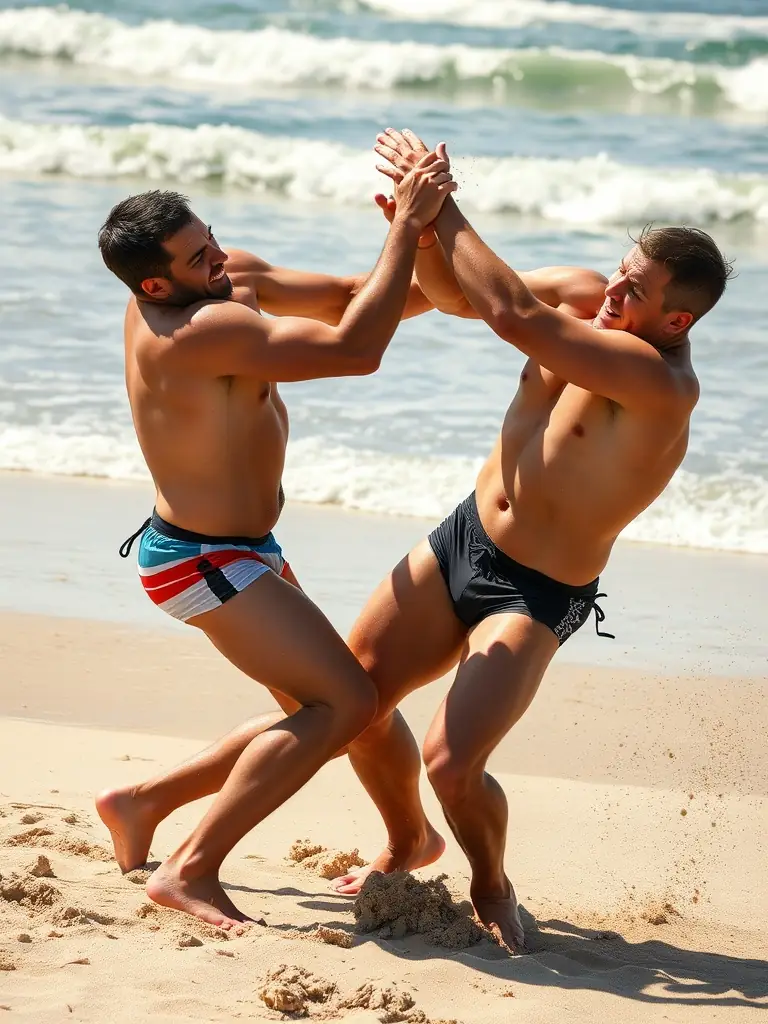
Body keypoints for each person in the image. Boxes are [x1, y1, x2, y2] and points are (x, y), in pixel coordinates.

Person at [330, 129, 732, 953]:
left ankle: (490, 881)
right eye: (623, 266)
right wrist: (416, 224)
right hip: (463, 538)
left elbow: (512, 314)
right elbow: (455, 296)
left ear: (676, 318)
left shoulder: (659, 384)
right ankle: (409, 839)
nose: (615, 285)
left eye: (639, 286)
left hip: (536, 592)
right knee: (352, 702)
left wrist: (444, 204)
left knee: (451, 762)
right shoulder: (589, 293)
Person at [94, 149, 457, 929]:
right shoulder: (191, 330)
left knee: (352, 702)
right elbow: (358, 351)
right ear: (154, 284)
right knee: (345, 701)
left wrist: (430, 245)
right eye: (198, 257)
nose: (218, 257)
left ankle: (143, 802)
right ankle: (190, 870)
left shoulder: (226, 284)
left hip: (241, 551)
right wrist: (410, 233)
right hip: (202, 560)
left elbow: (358, 300)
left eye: (212, 238)